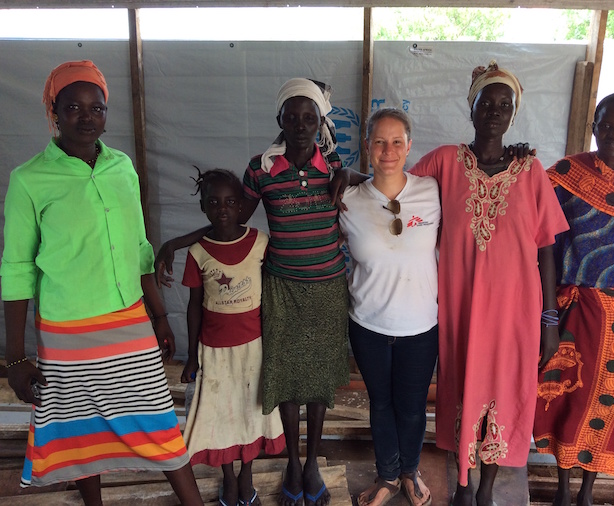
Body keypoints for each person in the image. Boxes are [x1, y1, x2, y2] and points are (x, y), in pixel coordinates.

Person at [332, 61, 569, 506]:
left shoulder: (531, 169)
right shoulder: (445, 161)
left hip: (515, 311)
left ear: (514, 113)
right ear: (472, 107)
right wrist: (351, 177)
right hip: (459, 310)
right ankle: (460, 484)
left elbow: (546, 247)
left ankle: (485, 490)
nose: (494, 111)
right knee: (459, 391)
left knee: (502, 392)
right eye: (486, 102)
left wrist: (550, 317)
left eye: (505, 104)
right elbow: (395, 182)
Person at [0, 60, 203, 505]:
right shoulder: (29, 180)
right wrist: (15, 359)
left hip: (129, 322)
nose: (87, 117)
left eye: (97, 107)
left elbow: (139, 249)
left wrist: (160, 318)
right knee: (79, 433)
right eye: (73, 107)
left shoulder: (122, 168)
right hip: (66, 331)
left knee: (159, 425)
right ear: (53, 111)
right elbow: (16, 270)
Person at [155, 78, 349, 506]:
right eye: (292, 117)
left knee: (316, 385)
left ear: (320, 122)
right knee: (282, 379)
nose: (301, 125)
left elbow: (378, 186)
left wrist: (352, 173)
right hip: (279, 288)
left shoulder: (335, 169)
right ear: (278, 119)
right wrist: (176, 243)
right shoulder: (260, 168)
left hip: (327, 290)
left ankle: (312, 463)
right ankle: (292, 465)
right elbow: (229, 221)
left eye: (310, 117)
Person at [532, 92, 614, 506]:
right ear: (594, 125)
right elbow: (546, 248)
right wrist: (549, 320)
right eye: (607, 124)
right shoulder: (565, 174)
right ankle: (562, 489)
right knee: (568, 398)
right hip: (577, 308)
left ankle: (587, 494)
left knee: (611, 404)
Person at [338, 108, 440, 506]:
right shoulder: (346, 199)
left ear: (410, 145)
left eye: (397, 141)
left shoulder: (432, 191)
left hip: (420, 326)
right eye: (379, 141)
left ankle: (410, 473)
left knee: (413, 407)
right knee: (380, 403)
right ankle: (387, 477)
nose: (388, 150)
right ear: (366, 146)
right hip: (367, 324)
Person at [180, 168, 286, 506]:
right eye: (213, 202)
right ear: (203, 207)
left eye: (229, 202)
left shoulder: (261, 242)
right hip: (214, 351)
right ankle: (228, 477)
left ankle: (246, 474)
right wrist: (192, 355)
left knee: (250, 411)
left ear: (242, 205)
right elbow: (194, 306)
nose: (222, 208)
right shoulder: (197, 252)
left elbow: (273, 294)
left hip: (254, 348)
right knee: (221, 413)